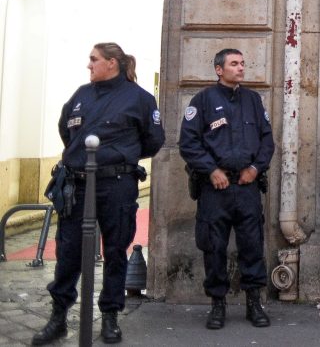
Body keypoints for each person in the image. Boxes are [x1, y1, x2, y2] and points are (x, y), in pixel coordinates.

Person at [33, 43, 165, 345]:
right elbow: (66, 131)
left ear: (112, 63)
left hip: (116, 185)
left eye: (94, 60)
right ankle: (58, 318)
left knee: (115, 251)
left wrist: (120, 157)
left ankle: (109, 317)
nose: (89, 65)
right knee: (68, 252)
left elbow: (154, 140)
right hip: (78, 185)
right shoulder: (82, 95)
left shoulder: (140, 99)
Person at [179, 48, 274, 330]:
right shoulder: (203, 100)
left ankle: (254, 302)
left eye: (243, 63)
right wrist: (211, 170)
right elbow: (188, 143)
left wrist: (255, 168)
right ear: (219, 69)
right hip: (215, 190)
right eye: (234, 64)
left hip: (247, 187)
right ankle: (217, 304)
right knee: (214, 247)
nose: (241, 68)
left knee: (252, 246)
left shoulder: (253, 100)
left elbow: (267, 141)